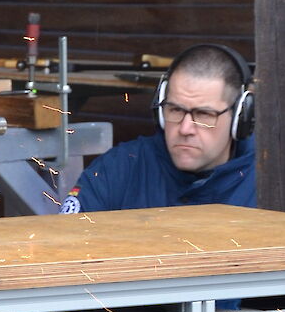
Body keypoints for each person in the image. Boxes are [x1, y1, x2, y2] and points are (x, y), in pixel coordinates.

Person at [61, 44, 255, 213]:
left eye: (204, 114)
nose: (185, 128)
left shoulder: (271, 180)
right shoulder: (118, 169)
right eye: (176, 110)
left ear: (240, 117)